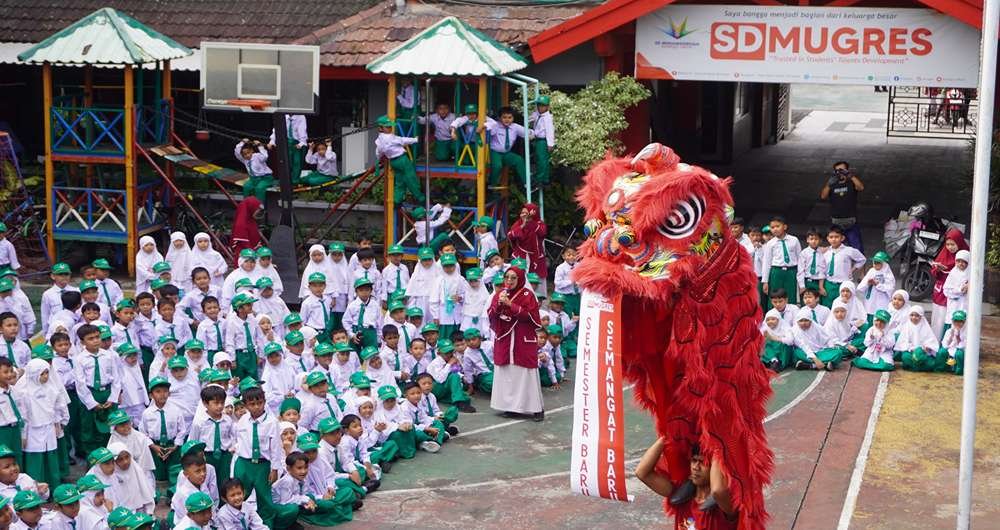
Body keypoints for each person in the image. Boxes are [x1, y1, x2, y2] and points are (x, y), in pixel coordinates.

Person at [231, 385, 299, 528]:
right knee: (239, 494)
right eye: (252, 404)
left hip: (263, 465)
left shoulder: (271, 422)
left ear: (264, 401)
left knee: (264, 498)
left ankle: (266, 525)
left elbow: (275, 448)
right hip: (244, 463)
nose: (256, 407)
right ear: (245, 405)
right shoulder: (242, 421)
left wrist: (274, 469)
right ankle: (237, 523)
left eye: (259, 403)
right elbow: (239, 440)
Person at [635, 438, 738, 530]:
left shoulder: (725, 504)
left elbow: (717, 491)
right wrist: (667, 435)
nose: (696, 467)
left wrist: (717, 446)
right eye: (694, 461)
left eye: (703, 463)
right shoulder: (680, 496)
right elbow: (642, 473)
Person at [488, 267, 545, 421]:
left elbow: (532, 318)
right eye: (507, 277)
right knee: (508, 373)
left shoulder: (528, 295)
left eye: (514, 278)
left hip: (522, 338)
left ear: (520, 279)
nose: (510, 281)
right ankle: (512, 407)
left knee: (526, 374)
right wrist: (499, 305)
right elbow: (491, 315)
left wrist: (511, 305)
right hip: (505, 339)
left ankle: (536, 409)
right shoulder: (500, 294)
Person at [375, 115, 423, 204]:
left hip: (393, 162)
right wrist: (415, 140)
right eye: (387, 127)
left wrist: (378, 159)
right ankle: (420, 198)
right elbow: (402, 140)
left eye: (390, 126)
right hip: (402, 159)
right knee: (411, 177)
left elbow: (378, 152)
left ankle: (397, 200)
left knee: (399, 181)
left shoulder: (379, 140)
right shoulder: (390, 137)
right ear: (381, 128)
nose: (390, 128)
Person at [820, 161, 865, 252]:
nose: (840, 173)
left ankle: (859, 266)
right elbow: (823, 196)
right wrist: (829, 184)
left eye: (842, 170)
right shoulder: (832, 184)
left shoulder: (851, 182)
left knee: (857, 250)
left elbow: (861, 188)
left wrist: (850, 176)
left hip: (851, 221)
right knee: (837, 249)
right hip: (836, 222)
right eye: (837, 171)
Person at [479, 107, 528, 187]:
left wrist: (532, 134)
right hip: (495, 152)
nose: (507, 120)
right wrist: (484, 126)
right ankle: (492, 184)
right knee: (497, 166)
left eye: (510, 117)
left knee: (519, 160)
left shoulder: (515, 127)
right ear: (500, 118)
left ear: (513, 118)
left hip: (506, 153)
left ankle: (527, 182)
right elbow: (488, 126)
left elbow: (527, 132)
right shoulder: (496, 125)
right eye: (504, 117)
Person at [761, 216, 801, 307]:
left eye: (777, 226)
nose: (775, 229)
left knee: (790, 295)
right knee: (775, 296)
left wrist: (800, 278)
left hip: (791, 271)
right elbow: (766, 263)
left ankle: (791, 316)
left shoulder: (794, 240)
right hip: (776, 271)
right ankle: (773, 317)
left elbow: (800, 259)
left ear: (785, 227)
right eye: (772, 227)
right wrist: (765, 281)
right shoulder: (770, 243)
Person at [508, 204, 548, 293]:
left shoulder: (539, 224)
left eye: (526, 213)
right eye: (522, 213)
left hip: (537, 258)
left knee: (537, 285)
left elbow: (542, 233)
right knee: (518, 280)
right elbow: (510, 236)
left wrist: (530, 222)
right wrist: (523, 225)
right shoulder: (518, 224)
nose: (524, 215)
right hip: (520, 257)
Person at [896, 307, 943, 372]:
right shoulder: (907, 327)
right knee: (905, 357)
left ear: (921, 316)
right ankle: (920, 367)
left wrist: (927, 348)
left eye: (917, 315)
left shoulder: (926, 327)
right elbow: (903, 342)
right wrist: (912, 348)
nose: (914, 318)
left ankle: (915, 367)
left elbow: (931, 341)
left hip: (923, 353)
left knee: (928, 362)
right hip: (911, 352)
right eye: (912, 315)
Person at [529, 95, 555, 185]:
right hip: (538, 140)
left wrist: (550, 144)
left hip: (543, 141)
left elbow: (550, 131)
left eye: (543, 105)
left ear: (548, 107)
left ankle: (540, 179)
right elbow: (530, 118)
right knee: (540, 159)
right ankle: (544, 179)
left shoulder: (547, 118)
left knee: (542, 160)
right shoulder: (538, 114)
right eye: (539, 105)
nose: (540, 107)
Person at [942, 249, 970, 334]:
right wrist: (960, 290)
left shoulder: (971, 274)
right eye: (958, 261)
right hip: (954, 304)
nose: (960, 264)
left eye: (963, 261)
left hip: (965, 304)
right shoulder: (953, 273)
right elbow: (946, 290)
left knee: (964, 324)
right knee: (952, 324)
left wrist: (969, 287)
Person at [230, 197, 264, 266]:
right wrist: (255, 255)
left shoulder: (251, 220)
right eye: (257, 209)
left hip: (252, 255)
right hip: (245, 256)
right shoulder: (241, 223)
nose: (258, 211)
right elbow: (243, 242)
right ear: (251, 208)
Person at [942, 310, 967, 375]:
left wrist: (958, 337)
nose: (958, 323)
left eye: (960, 321)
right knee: (942, 352)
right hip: (951, 351)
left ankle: (958, 371)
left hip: (961, 353)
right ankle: (943, 368)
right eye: (955, 321)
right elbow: (945, 345)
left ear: (964, 322)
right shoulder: (949, 331)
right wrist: (951, 336)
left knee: (959, 354)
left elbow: (964, 346)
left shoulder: (967, 332)